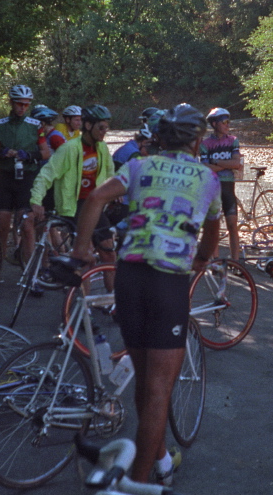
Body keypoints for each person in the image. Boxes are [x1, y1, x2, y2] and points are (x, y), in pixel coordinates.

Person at [69, 103, 221, 485]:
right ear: (198, 141)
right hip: (167, 283)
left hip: (129, 277)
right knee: (158, 392)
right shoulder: (208, 177)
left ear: (159, 138)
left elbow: (95, 199)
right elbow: (213, 231)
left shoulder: (138, 165)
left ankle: (162, 462)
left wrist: (81, 252)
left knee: (143, 380)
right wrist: (201, 259)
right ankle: (135, 484)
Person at [30, 104, 117, 276]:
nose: (104, 132)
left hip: (94, 205)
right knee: (86, 256)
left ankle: (110, 302)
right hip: (73, 205)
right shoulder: (68, 148)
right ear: (88, 126)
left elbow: (110, 174)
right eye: (101, 128)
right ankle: (79, 300)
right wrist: (36, 201)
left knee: (109, 254)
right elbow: (45, 175)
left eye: (106, 128)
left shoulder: (102, 148)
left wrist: (113, 194)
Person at [0, 85, 50, 291]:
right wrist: (1, 153)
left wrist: (29, 155)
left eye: (26, 104)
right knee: (1, 228)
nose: (22, 108)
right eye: (19, 104)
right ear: (11, 103)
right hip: (5, 179)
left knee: (27, 228)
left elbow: (45, 153)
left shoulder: (35, 125)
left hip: (26, 179)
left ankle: (31, 276)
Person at [199, 108, 240, 259]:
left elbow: (237, 163)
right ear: (215, 124)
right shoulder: (205, 144)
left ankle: (236, 262)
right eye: (224, 122)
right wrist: (228, 164)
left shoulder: (233, 140)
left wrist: (216, 162)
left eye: (228, 121)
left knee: (232, 226)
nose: (228, 125)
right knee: (213, 227)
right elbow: (205, 167)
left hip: (229, 189)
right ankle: (215, 261)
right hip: (212, 188)